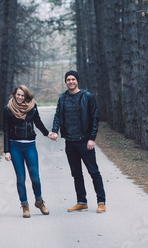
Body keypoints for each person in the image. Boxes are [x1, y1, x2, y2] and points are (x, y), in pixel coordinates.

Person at [49, 70, 106, 213]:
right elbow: (57, 116)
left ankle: (101, 202)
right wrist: (55, 130)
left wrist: (92, 139)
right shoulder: (62, 98)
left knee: (94, 172)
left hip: (85, 142)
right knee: (76, 173)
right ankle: (82, 201)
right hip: (70, 142)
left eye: (73, 79)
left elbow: (95, 118)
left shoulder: (87, 97)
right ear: (65, 82)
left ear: (77, 81)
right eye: (68, 79)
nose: (71, 82)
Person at [3, 84, 51, 218]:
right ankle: (25, 206)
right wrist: (7, 151)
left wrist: (48, 134)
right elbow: (6, 130)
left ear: (26, 96)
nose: (19, 97)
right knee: (21, 177)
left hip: (30, 145)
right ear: (14, 94)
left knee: (35, 176)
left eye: (22, 95)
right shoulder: (8, 109)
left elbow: (38, 122)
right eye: (17, 94)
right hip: (15, 146)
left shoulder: (32, 107)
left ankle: (39, 202)